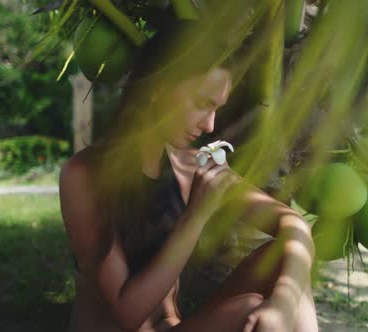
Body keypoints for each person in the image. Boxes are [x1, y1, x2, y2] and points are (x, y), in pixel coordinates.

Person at [59, 24, 318, 332]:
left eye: (216, 109)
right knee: (248, 308)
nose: (209, 126)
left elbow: (295, 226)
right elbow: (126, 315)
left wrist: (282, 306)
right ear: (158, 88)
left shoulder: (190, 166)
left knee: (287, 264)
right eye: (202, 103)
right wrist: (196, 216)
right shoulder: (85, 175)